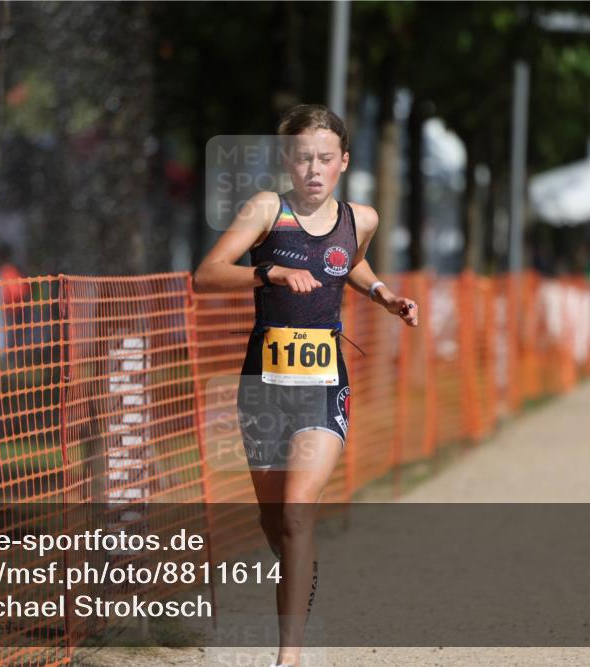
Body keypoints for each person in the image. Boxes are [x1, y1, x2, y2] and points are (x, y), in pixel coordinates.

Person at [192, 104, 418, 667]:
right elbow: (206, 274)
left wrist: (382, 294)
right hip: (262, 388)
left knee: (296, 513)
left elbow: (348, 264)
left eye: (324, 158)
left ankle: (288, 657)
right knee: (276, 525)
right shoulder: (267, 210)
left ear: (343, 161)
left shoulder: (361, 218)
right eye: (302, 158)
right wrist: (267, 272)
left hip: (323, 386)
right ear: (287, 162)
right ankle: (300, 573)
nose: (313, 169)